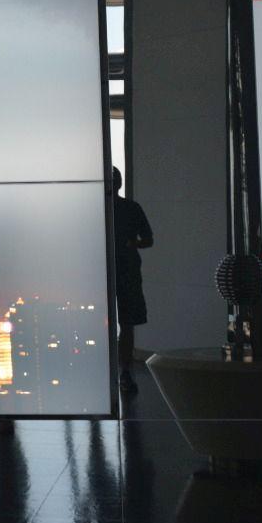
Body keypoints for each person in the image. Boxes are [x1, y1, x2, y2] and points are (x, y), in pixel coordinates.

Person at [111, 166, 154, 396]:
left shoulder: (100, 209)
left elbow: (148, 240)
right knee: (127, 324)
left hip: (113, 270)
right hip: (126, 269)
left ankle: (121, 371)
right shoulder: (131, 208)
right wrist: (131, 244)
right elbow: (148, 240)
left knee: (122, 323)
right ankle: (124, 372)